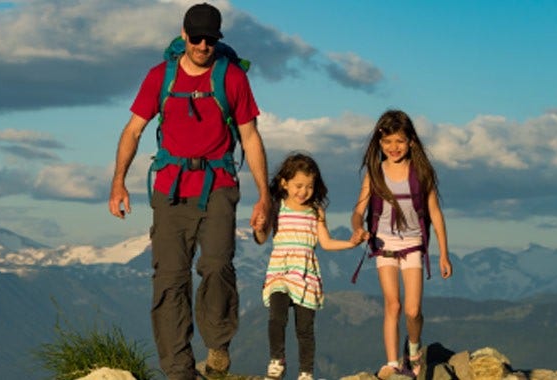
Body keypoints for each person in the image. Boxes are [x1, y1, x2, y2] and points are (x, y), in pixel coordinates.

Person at [107, 3, 269, 378]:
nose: (202, 45)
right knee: (170, 279)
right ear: (184, 36)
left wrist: (265, 194)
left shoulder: (232, 79)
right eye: (195, 38)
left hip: (219, 185)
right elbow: (133, 130)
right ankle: (179, 370)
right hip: (171, 190)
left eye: (209, 39)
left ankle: (217, 343)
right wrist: (118, 182)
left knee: (216, 265)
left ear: (217, 40)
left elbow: (250, 136)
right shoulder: (159, 77)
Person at [349, 109, 453, 379]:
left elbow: (435, 213)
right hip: (384, 244)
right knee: (393, 304)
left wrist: (443, 253)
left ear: (411, 142)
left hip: (413, 244)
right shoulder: (375, 172)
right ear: (379, 143)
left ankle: (415, 349)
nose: (393, 147)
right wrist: (358, 227)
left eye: (399, 141)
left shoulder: (421, 172)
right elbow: (359, 209)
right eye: (387, 142)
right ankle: (393, 362)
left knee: (413, 310)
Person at [254, 152, 363, 380]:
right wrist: (258, 228)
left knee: (304, 329)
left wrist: (350, 243)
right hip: (280, 272)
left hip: (306, 274)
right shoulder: (276, 208)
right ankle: (277, 360)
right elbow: (263, 238)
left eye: (309, 186)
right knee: (277, 317)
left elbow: (325, 242)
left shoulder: (316, 212)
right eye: (298, 185)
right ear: (284, 183)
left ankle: (306, 372)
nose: (303, 191)